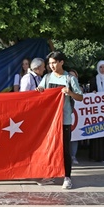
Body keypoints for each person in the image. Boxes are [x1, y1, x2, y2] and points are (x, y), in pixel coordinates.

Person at [36, 51, 84, 189]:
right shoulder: (47, 77)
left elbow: (80, 97)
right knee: (49, 147)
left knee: (65, 150)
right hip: (50, 121)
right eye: (50, 63)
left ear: (61, 62)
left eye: (54, 62)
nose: (51, 65)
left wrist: (70, 93)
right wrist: (39, 89)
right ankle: (50, 174)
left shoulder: (69, 78)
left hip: (64, 120)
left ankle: (67, 176)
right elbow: (42, 92)